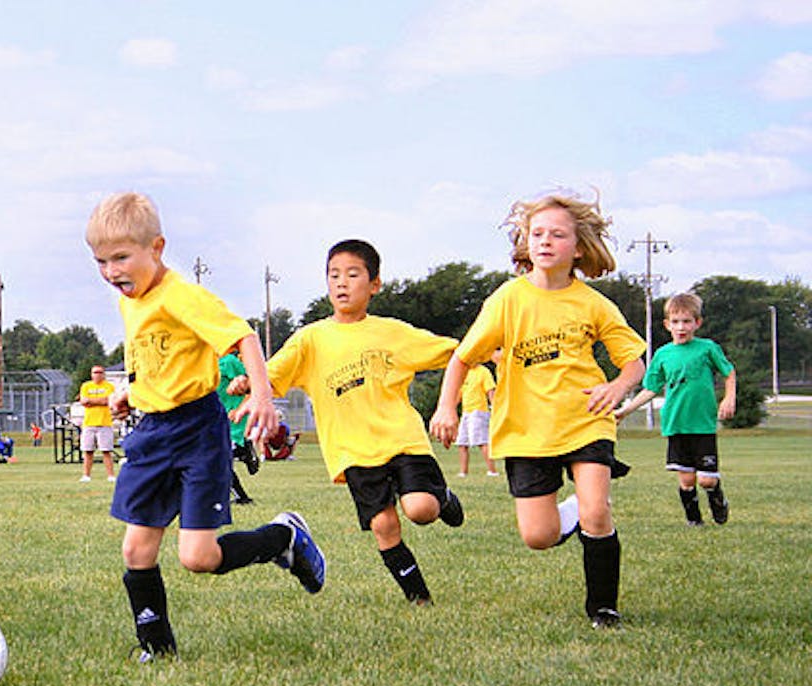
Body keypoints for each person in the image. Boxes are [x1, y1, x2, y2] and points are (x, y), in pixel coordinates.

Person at [87, 191, 325, 662]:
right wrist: (127, 393)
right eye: (100, 260)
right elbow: (155, 363)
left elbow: (243, 337)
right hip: (152, 434)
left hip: (197, 432)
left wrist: (262, 395)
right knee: (136, 550)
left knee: (198, 558)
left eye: (121, 257)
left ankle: (284, 538)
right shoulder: (129, 303)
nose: (111, 271)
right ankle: (157, 649)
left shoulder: (182, 296)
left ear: (156, 248)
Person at [431, 193, 645, 630]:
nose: (545, 241)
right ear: (525, 242)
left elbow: (633, 362)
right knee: (538, 536)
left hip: (586, 420)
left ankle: (603, 609)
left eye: (557, 234)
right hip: (527, 432)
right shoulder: (507, 299)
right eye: (537, 233)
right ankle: (574, 512)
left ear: (578, 246)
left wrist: (618, 386)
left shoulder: (593, 303)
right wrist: (445, 409)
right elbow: (462, 358)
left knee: (598, 512)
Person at [259, 239, 464, 607]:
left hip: (402, 439)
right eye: (334, 275)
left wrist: (493, 348)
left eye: (353, 274)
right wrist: (248, 383)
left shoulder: (392, 332)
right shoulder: (310, 339)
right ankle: (419, 599)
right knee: (384, 526)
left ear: (374, 285)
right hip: (352, 450)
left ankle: (442, 497)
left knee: (421, 509)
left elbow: (453, 352)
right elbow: (272, 375)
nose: (341, 283)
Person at [614, 292, 737, 526]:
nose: (681, 327)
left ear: (697, 323)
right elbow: (650, 389)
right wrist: (625, 411)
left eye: (687, 321)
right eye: (676, 322)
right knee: (687, 479)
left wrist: (729, 398)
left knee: (707, 481)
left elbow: (729, 372)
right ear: (667, 324)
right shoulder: (662, 355)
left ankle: (717, 498)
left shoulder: (707, 348)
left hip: (702, 423)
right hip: (676, 423)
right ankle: (694, 520)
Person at [218, 352, 258, 505]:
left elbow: (252, 386)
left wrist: (240, 408)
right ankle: (242, 497)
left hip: (234, 419)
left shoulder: (228, 361)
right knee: (219, 459)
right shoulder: (204, 364)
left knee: (219, 459)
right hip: (218, 420)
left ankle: (243, 450)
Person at [456, 350, 501, 478]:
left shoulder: (483, 372)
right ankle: (463, 472)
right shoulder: (465, 373)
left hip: (479, 412)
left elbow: (490, 391)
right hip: (466, 412)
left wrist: (494, 408)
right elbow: (459, 394)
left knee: (482, 441)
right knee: (462, 443)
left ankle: (492, 471)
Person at [77, 365, 117, 482]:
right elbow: (84, 401)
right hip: (89, 422)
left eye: (100, 372)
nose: (97, 375)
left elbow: (108, 401)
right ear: (91, 374)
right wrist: (98, 401)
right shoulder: (86, 386)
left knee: (106, 450)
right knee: (88, 450)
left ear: (104, 374)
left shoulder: (109, 386)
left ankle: (110, 475)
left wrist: (92, 401)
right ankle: (86, 475)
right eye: (95, 372)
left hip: (105, 422)